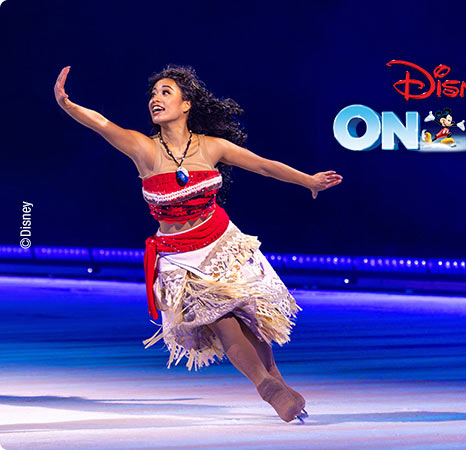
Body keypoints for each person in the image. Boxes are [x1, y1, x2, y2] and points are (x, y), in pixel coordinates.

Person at [53, 64, 343, 424]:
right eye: (153, 94)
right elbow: (101, 124)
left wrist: (309, 181)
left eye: (165, 92)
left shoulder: (212, 147)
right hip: (179, 256)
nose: (155, 99)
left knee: (248, 319)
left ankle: (278, 383)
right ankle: (266, 388)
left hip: (222, 244)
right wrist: (67, 104)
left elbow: (265, 166)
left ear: (186, 104)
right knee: (221, 320)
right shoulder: (143, 149)